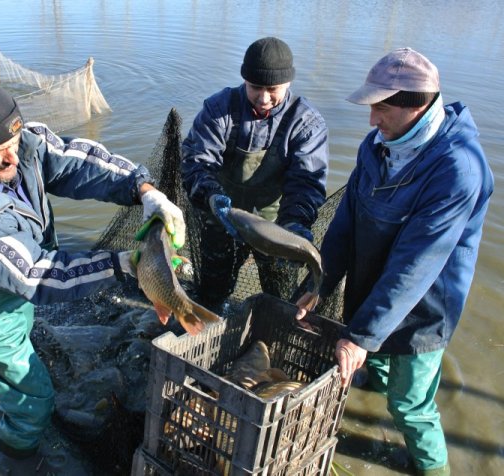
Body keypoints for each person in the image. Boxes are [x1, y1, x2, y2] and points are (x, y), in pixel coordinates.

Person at [0, 77, 185, 460]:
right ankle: (16, 448)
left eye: (13, 144)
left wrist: (144, 190)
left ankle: (6, 385)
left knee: (20, 333)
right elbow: (35, 275)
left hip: (10, 265)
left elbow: (75, 161)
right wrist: (122, 265)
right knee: (32, 394)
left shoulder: (21, 140)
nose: (12, 159)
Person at [296, 48, 493, 475]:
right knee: (374, 369)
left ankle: (433, 467)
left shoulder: (458, 168)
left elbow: (416, 266)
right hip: (372, 288)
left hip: (424, 308)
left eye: (381, 109)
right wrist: (318, 284)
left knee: (410, 406)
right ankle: (370, 387)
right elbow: (345, 223)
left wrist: (361, 336)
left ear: (416, 105)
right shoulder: (377, 145)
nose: (371, 121)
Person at [181, 37, 329, 308]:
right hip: (222, 217)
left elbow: (306, 182)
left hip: (275, 225)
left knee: (280, 298)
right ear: (244, 81)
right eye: (255, 87)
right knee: (211, 294)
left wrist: (296, 224)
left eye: (272, 89)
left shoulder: (306, 122)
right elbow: (197, 162)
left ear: (288, 83)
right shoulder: (219, 109)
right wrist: (212, 197)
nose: (263, 98)